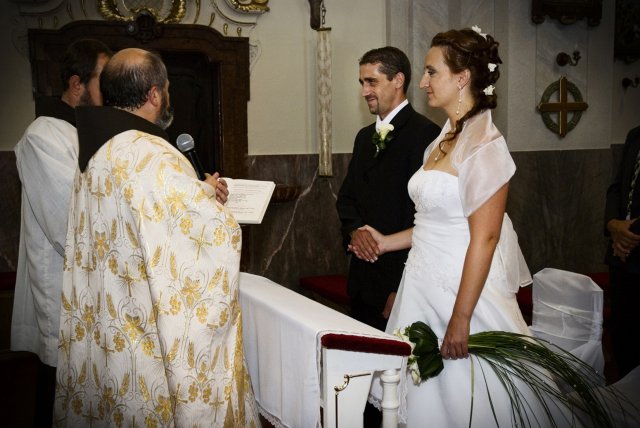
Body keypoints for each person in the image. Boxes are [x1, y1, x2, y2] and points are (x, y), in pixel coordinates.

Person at [53, 48, 259, 426]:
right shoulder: (152, 154)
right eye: (165, 89)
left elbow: (147, 216)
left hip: (112, 313)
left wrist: (198, 191)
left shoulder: (98, 153)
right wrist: (211, 204)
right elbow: (198, 239)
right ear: (154, 94)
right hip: (140, 326)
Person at [361, 28, 544, 426]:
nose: (423, 82)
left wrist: (461, 318)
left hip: (461, 292)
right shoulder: (442, 139)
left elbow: (486, 237)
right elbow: (434, 223)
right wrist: (386, 242)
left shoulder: (485, 145)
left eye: (432, 72)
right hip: (420, 287)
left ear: (462, 77)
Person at [11, 38, 112, 427]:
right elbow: (66, 219)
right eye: (103, 80)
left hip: (97, 287)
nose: (111, 90)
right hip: (64, 286)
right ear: (76, 84)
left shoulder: (96, 132)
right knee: (59, 398)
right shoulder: (43, 135)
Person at [336, 46, 440, 332]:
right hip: (362, 279)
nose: (364, 91)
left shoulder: (425, 134)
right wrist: (355, 232)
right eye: (362, 83)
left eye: (372, 82)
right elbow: (346, 198)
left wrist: (400, 289)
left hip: (399, 281)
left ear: (398, 80)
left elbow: (423, 217)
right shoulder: (363, 137)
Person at [605, 125, 640, 379]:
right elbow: (616, 188)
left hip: (632, 245)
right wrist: (612, 224)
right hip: (621, 260)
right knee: (622, 340)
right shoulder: (635, 135)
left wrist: (629, 234)